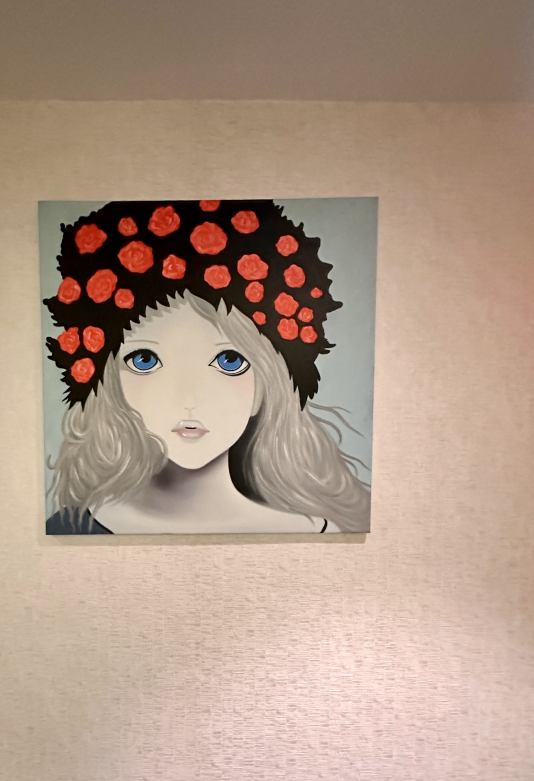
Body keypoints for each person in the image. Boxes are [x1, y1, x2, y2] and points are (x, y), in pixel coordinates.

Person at [43, 199, 370, 534]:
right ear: (109, 385)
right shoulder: (69, 531)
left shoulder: (319, 535)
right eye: (145, 360)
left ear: (264, 388)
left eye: (230, 361)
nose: (189, 398)